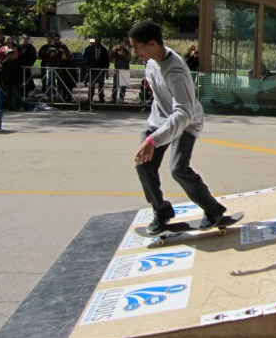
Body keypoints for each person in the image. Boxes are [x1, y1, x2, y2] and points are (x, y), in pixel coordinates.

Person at [129, 19, 227, 235]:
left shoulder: (176, 73)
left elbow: (183, 114)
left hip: (187, 122)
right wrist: (153, 134)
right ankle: (162, 211)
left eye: (137, 46)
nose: (134, 51)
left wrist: (152, 141)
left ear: (152, 43)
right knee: (143, 164)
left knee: (178, 169)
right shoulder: (153, 59)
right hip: (159, 120)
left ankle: (213, 210)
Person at [83, 36, 110, 103]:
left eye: (99, 40)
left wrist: (106, 68)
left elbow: (107, 60)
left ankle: (101, 98)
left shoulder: (104, 50)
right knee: (91, 85)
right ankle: (90, 98)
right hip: (92, 69)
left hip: (101, 70)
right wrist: (88, 65)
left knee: (101, 85)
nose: (97, 42)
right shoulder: (90, 49)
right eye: (96, 40)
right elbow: (86, 57)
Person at [110, 38, 132, 103]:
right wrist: (115, 51)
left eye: (124, 44)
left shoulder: (127, 51)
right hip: (117, 69)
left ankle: (121, 98)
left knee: (123, 86)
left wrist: (123, 55)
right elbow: (111, 57)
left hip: (125, 70)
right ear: (119, 44)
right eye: (121, 44)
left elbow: (129, 59)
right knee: (115, 85)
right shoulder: (116, 50)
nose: (123, 45)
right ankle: (114, 98)